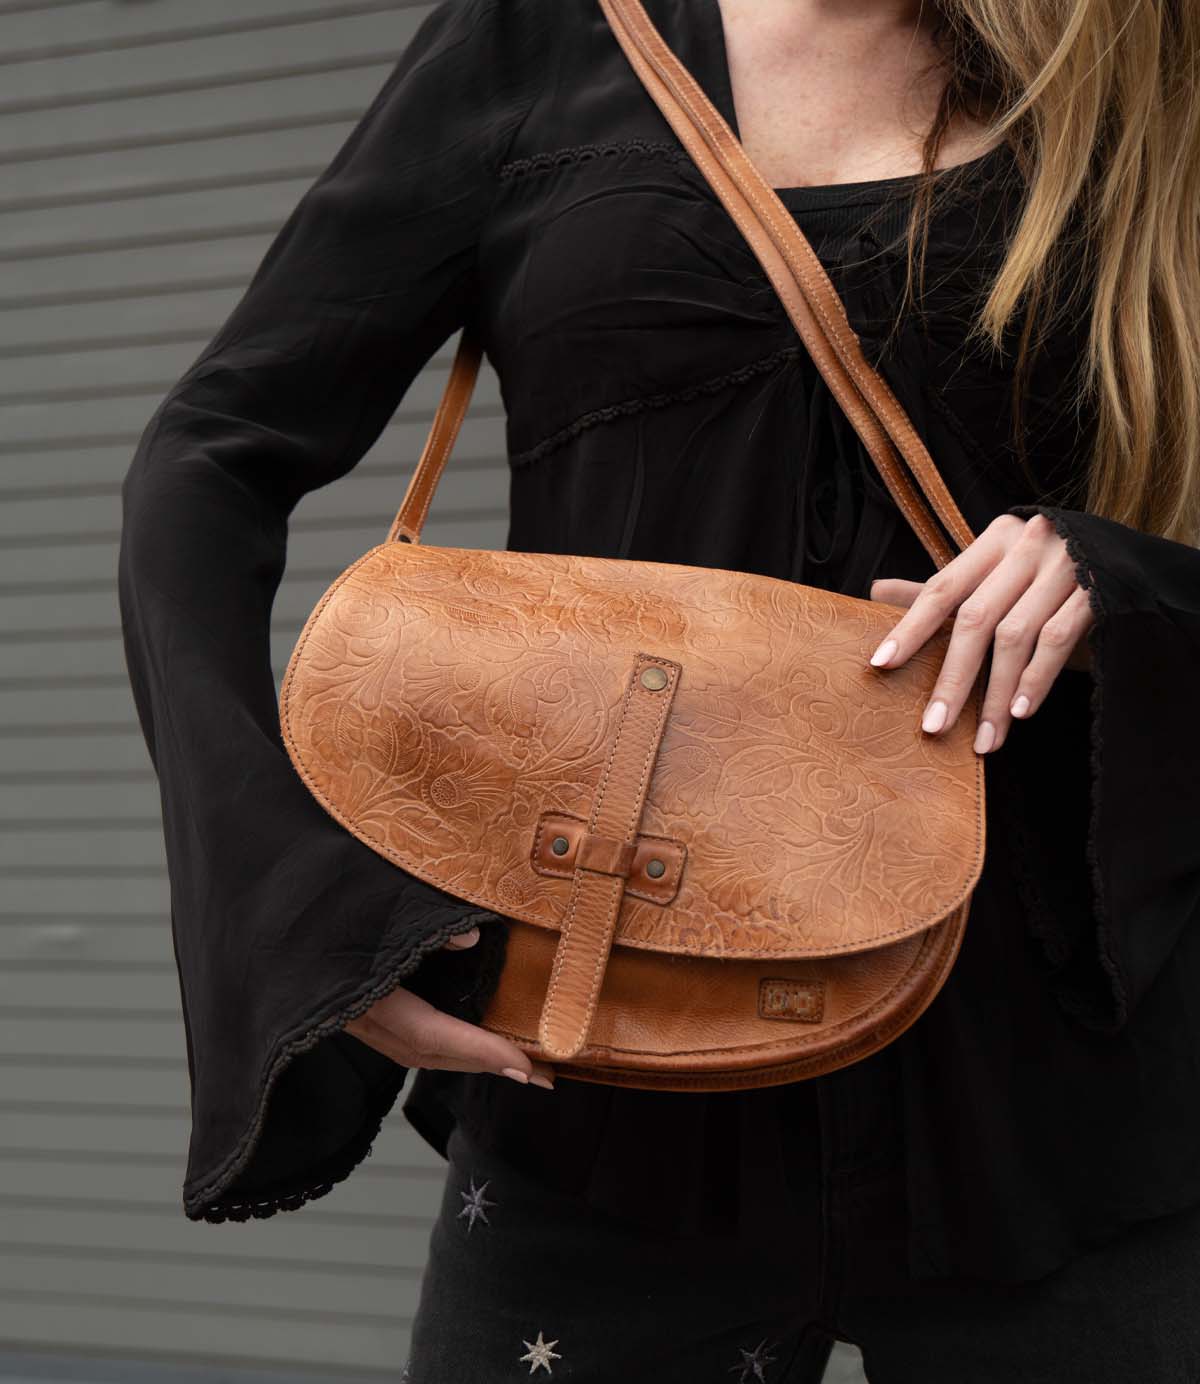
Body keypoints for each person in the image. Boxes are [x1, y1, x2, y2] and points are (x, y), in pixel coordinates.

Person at [117, 0, 1200, 1378]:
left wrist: (1121, 576)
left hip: (1057, 1097)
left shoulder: (1142, 69)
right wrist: (292, 900)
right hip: (606, 1077)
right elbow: (207, 459)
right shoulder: (538, 41)